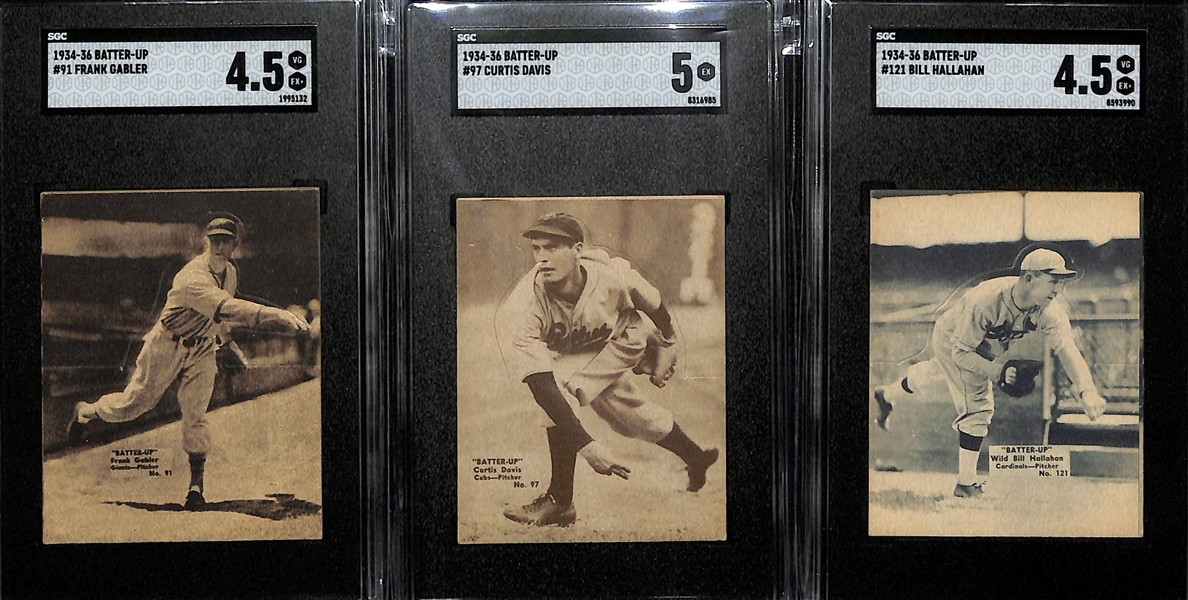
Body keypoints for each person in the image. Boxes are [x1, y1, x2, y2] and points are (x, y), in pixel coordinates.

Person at [67, 213, 310, 510]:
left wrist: (228, 344)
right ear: (206, 242)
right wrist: (280, 315)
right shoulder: (191, 277)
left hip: (202, 348)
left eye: (226, 240)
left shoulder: (230, 273)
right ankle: (88, 412)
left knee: (195, 414)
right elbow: (228, 308)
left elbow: (217, 319)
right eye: (215, 239)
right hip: (167, 344)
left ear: (235, 243)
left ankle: (196, 487)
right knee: (133, 406)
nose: (220, 245)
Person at [496, 213, 719, 527]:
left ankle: (560, 499)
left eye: (552, 247)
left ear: (577, 248)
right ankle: (697, 457)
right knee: (631, 418)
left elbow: (653, 303)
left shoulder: (611, 274)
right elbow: (539, 384)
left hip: (624, 337)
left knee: (565, 383)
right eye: (536, 249)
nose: (542, 257)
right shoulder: (524, 306)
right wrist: (589, 447)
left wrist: (667, 342)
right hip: (581, 350)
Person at [872, 247, 1108, 498]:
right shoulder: (986, 301)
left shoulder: (1049, 310)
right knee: (979, 405)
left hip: (981, 345)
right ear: (1028, 279)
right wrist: (996, 372)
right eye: (1052, 281)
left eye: (1060, 283)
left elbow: (1067, 348)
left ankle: (887, 394)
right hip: (953, 337)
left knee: (933, 373)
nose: (1057, 290)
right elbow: (960, 354)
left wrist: (1087, 390)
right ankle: (966, 483)